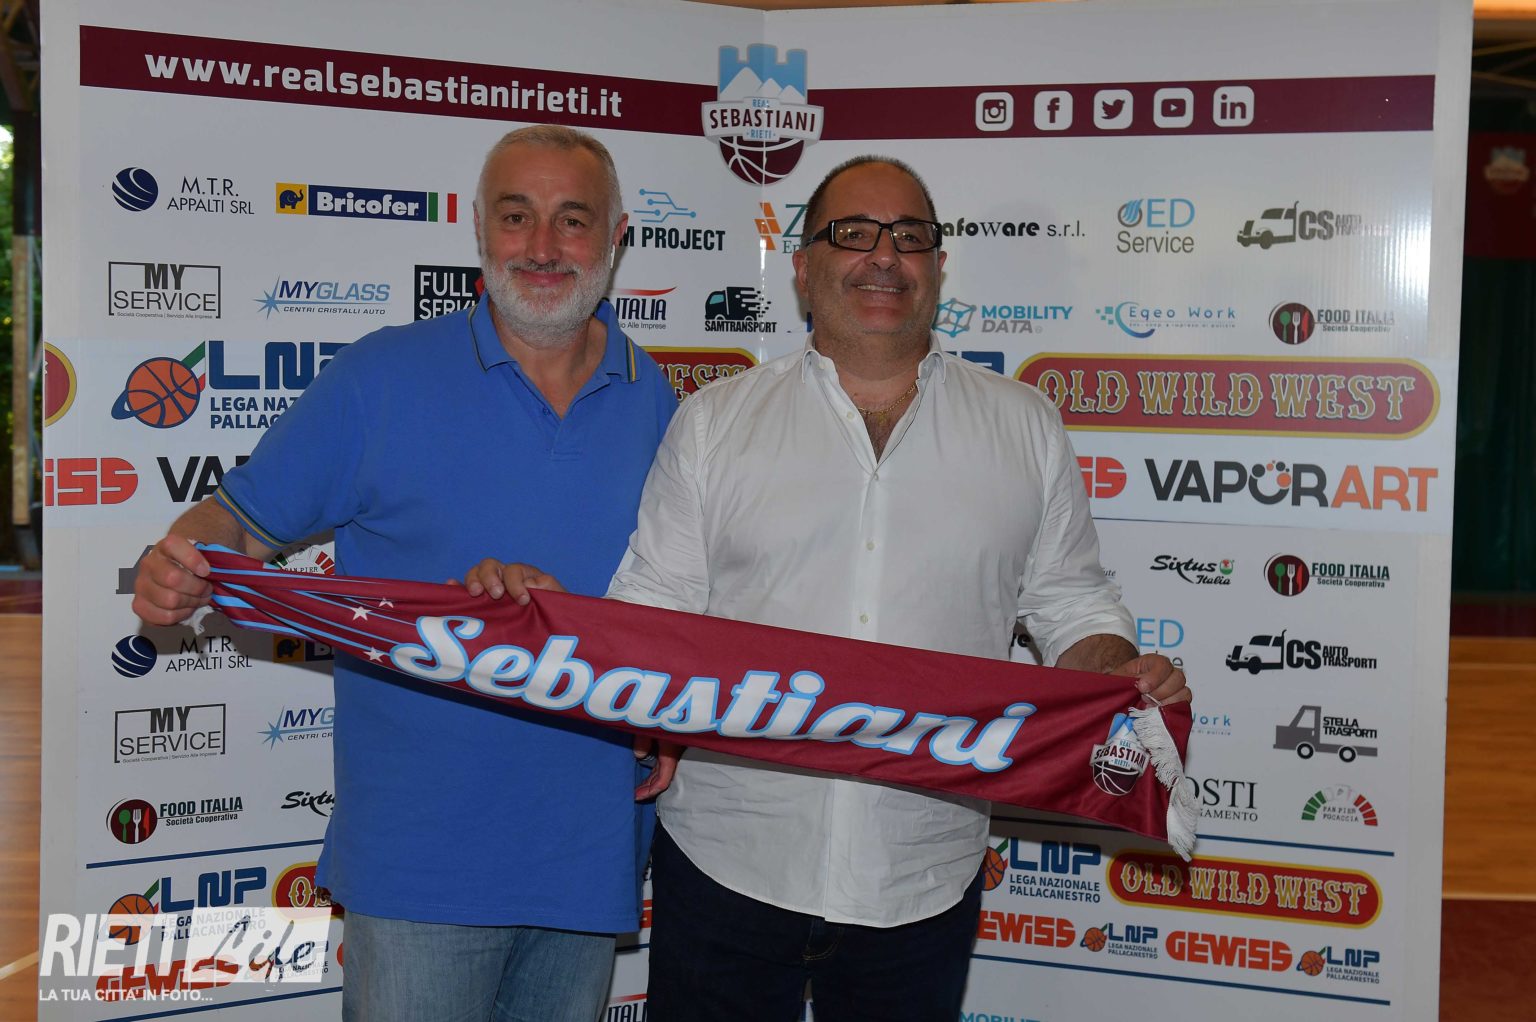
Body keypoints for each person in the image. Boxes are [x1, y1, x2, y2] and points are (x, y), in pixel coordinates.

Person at [466, 155, 1192, 1020]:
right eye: (853, 234)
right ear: (804, 267)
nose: (883, 256)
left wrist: (1115, 670)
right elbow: (652, 615)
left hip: (923, 870)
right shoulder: (715, 423)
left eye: (909, 237)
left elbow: (1072, 602)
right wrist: (553, 623)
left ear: (938, 267)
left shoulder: (1024, 427)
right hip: (728, 862)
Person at [132, 125, 677, 1022]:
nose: (543, 246)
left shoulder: (656, 398)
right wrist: (178, 560)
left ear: (616, 238)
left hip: (586, 854)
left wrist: (667, 717)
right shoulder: (379, 378)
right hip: (420, 859)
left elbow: (677, 609)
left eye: (573, 220)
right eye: (517, 216)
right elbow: (234, 520)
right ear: (479, 229)